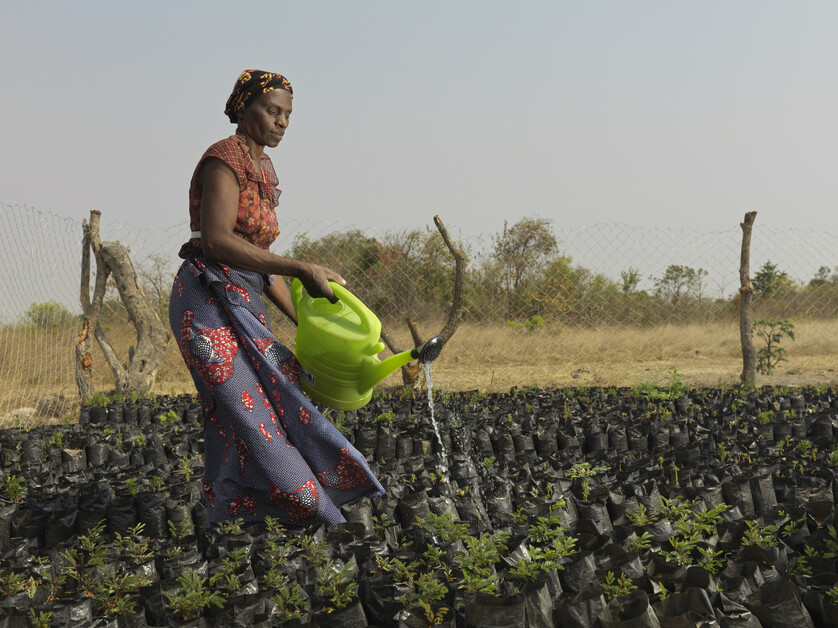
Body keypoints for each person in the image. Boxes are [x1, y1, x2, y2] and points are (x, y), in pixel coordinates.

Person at [169, 69, 384, 528]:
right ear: (243, 108)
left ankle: (233, 520)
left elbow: (259, 261)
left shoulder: (263, 171)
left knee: (275, 391)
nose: (282, 122)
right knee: (249, 416)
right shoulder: (223, 160)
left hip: (244, 298)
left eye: (287, 114)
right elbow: (215, 241)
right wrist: (300, 267)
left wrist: (310, 319)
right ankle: (316, 514)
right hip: (206, 302)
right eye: (272, 110)